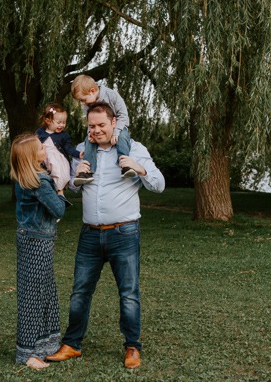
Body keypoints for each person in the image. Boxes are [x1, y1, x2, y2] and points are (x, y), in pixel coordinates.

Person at [46, 102, 165, 369]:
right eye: (91, 126)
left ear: (114, 123)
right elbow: (75, 187)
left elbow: (159, 184)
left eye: (101, 125)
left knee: (129, 293)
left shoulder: (133, 148)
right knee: (79, 292)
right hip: (89, 234)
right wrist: (74, 177)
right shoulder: (82, 149)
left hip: (124, 233)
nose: (96, 130)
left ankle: (132, 347)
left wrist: (140, 167)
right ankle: (72, 344)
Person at [9, 133, 71, 370]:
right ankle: (27, 353)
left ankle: (45, 345)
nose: (45, 150)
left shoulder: (25, 179)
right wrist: (61, 192)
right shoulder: (39, 181)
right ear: (32, 156)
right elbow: (58, 211)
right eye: (41, 149)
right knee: (34, 296)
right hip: (37, 242)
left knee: (42, 291)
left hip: (31, 238)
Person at [71, 75, 135, 185]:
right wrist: (90, 133)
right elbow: (90, 122)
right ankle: (87, 172)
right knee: (89, 141)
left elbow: (123, 115)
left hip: (119, 125)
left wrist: (116, 132)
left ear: (92, 91)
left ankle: (125, 165)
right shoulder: (88, 105)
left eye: (83, 99)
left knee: (122, 137)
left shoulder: (111, 95)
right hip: (101, 128)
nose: (83, 103)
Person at [34, 102, 82, 193]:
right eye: (59, 122)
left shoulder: (64, 135)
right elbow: (33, 145)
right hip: (43, 158)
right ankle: (49, 188)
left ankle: (59, 190)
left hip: (58, 160)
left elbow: (69, 148)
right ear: (48, 121)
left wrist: (78, 154)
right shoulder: (40, 132)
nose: (62, 125)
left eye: (64, 122)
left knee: (57, 171)